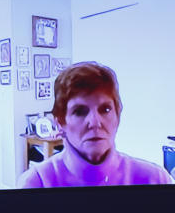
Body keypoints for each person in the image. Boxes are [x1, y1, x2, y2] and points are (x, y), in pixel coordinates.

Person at [17, 62, 173, 188]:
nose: (95, 122)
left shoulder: (155, 180)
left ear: (117, 116)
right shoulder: (37, 183)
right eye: (79, 111)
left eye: (105, 109)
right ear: (60, 123)